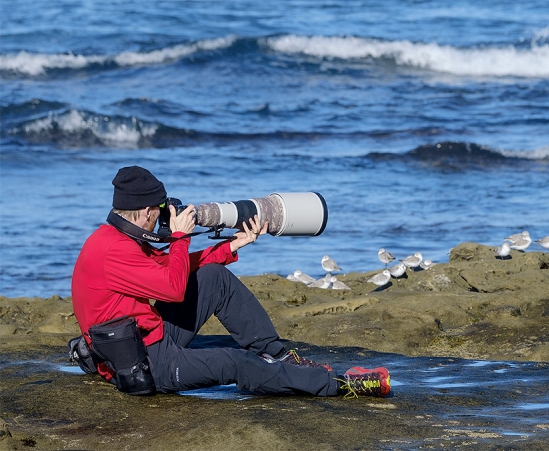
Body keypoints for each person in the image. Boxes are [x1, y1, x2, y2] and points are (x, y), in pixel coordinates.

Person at [71, 165, 390, 398]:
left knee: (213, 277)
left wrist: (231, 246)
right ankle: (338, 384)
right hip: (145, 362)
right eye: (159, 209)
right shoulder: (113, 251)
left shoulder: (114, 238)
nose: (163, 215)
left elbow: (171, 268)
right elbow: (172, 286)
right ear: (144, 211)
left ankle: (276, 355)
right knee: (233, 362)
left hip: (148, 337)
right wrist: (180, 237)